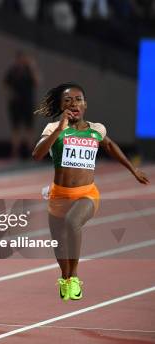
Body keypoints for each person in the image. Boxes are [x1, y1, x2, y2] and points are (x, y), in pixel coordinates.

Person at [32, 82, 149, 301]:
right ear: (61, 106)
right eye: (67, 100)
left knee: (72, 222)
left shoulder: (96, 129)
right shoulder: (53, 129)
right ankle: (66, 278)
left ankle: (74, 276)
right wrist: (59, 128)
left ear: (85, 104)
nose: (73, 103)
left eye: (77, 99)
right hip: (59, 195)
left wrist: (133, 170)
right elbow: (37, 155)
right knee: (59, 244)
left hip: (87, 194)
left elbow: (111, 146)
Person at [3, 50, 39, 159]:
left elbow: (37, 82)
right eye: (19, 59)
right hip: (15, 103)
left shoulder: (29, 70)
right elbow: (5, 84)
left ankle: (30, 152)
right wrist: (10, 95)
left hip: (28, 103)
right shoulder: (12, 71)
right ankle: (15, 152)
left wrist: (33, 67)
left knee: (29, 128)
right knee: (15, 128)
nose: (21, 61)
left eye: (23, 59)